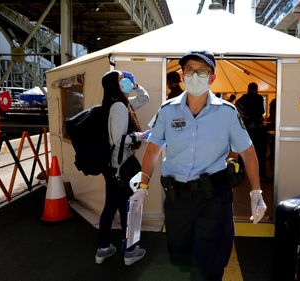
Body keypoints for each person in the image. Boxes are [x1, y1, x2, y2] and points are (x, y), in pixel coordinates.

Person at [138, 51, 267, 281]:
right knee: (181, 258)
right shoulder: (168, 111)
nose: (195, 76)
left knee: (210, 263)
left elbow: (247, 151)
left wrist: (256, 192)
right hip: (178, 198)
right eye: (190, 70)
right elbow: (152, 150)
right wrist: (143, 186)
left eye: (202, 71)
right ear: (182, 74)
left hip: (213, 198)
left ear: (212, 78)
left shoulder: (227, 112)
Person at [95, 70, 149, 266]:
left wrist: (134, 85)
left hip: (112, 167)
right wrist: (142, 136)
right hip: (123, 167)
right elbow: (119, 140)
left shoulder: (118, 104)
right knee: (130, 208)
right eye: (121, 80)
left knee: (111, 206)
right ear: (114, 85)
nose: (125, 81)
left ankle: (103, 249)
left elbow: (144, 98)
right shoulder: (119, 106)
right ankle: (130, 251)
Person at [235, 82, 268, 178]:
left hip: (246, 127)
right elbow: (262, 111)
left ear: (248, 89)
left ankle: (239, 171)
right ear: (256, 89)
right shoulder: (259, 97)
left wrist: (246, 118)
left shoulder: (243, 98)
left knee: (244, 148)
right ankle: (261, 174)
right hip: (257, 128)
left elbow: (237, 107)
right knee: (259, 151)